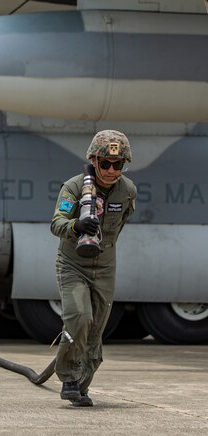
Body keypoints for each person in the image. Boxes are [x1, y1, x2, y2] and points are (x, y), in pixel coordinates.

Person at [51, 130, 136, 407]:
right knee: (80, 317)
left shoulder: (128, 191)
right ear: (93, 160)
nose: (111, 170)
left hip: (105, 267)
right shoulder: (74, 187)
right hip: (73, 263)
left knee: (96, 328)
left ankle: (82, 385)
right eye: (105, 163)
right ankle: (69, 378)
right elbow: (56, 223)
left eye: (118, 165)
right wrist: (76, 226)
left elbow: (119, 226)